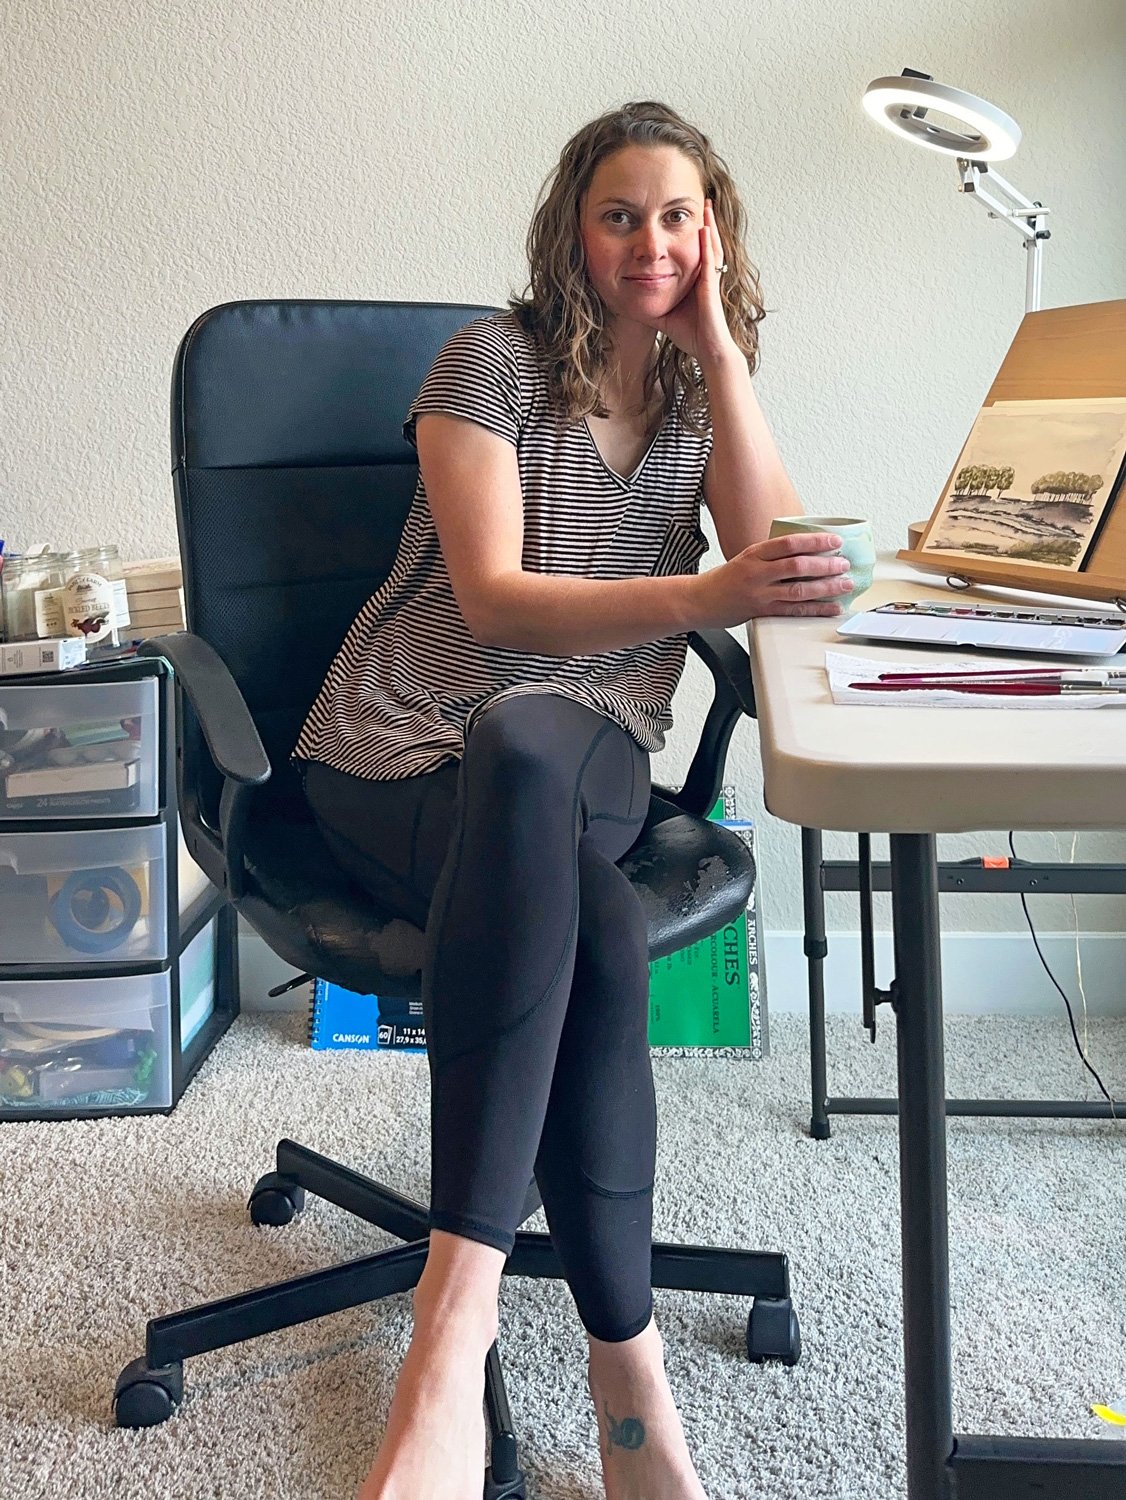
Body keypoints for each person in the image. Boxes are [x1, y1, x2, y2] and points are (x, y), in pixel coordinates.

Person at [294, 99, 852, 1500]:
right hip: (398, 736)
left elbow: (776, 562)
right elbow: (489, 602)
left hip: (582, 738)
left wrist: (717, 350)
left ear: (709, 230)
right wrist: (705, 595)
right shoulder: (485, 363)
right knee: (587, 920)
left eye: (676, 215)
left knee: (542, 746)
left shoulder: (699, 388)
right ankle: (622, 1373)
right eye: (620, 214)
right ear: (571, 230)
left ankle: (451, 1320)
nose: (648, 241)